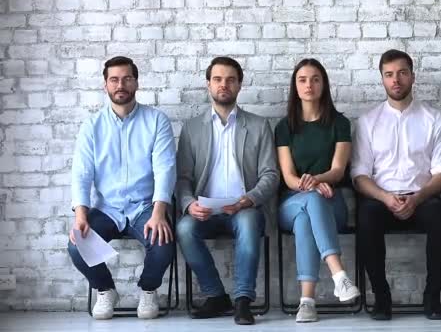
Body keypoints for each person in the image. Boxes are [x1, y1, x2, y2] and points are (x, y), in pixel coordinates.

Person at [68, 56, 176, 320]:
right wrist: (80, 216)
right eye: (114, 79)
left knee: (163, 244)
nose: (121, 84)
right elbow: (82, 173)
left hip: (144, 207)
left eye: (127, 78)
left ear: (136, 82)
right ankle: (105, 291)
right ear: (105, 85)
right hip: (107, 209)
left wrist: (159, 211)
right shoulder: (91, 126)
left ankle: (148, 290)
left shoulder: (156, 120)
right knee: (76, 245)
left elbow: (165, 168)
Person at [175, 56, 279, 325]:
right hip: (205, 210)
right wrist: (188, 204)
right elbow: (182, 177)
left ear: (240, 85)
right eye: (218, 79)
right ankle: (216, 295)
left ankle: (243, 300)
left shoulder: (258, 126)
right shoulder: (192, 128)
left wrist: (249, 199)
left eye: (230, 80)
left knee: (246, 223)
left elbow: (270, 174)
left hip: (244, 207)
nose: (224, 85)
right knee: (184, 228)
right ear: (208, 84)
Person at [351, 49, 441, 321]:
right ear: (382, 79)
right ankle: (382, 298)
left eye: (402, 73)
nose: (396, 80)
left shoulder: (435, 118)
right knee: (366, 217)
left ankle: (432, 297)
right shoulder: (368, 121)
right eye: (389, 74)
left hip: (423, 197)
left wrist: (417, 199)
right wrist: (385, 198)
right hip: (381, 198)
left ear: (413, 77)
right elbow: (360, 174)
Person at [275, 58, 361, 323]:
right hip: (292, 200)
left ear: (324, 84)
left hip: (330, 200)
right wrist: (310, 184)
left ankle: (307, 302)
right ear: (295, 86)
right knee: (306, 204)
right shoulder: (284, 127)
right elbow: (289, 177)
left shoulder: (340, 123)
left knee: (306, 219)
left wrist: (318, 179)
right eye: (302, 80)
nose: (309, 85)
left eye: (315, 79)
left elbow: (337, 170)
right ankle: (339, 275)